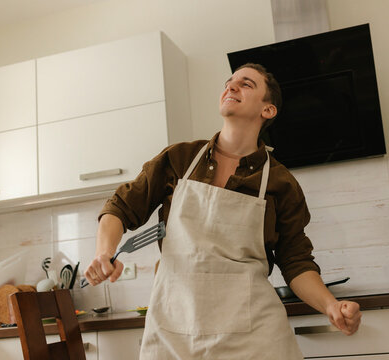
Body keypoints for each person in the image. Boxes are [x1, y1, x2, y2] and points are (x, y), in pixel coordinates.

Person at [84, 63, 361, 359]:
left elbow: (295, 260)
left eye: (246, 84)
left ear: (268, 110)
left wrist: (331, 305)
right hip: (173, 331)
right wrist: (104, 252)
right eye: (229, 82)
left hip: (253, 336)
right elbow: (121, 207)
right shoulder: (180, 159)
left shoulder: (281, 183)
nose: (231, 87)